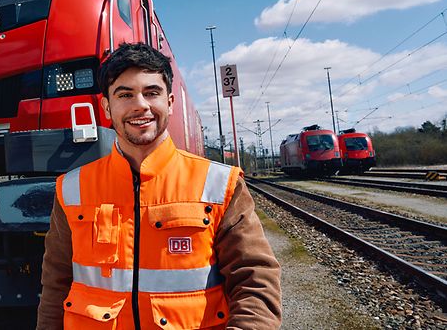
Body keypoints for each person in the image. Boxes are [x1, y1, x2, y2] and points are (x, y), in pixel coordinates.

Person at [36, 42, 281, 329]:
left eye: (151, 92)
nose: (140, 104)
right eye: (124, 94)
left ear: (170, 102)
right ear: (106, 106)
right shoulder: (72, 189)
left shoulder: (219, 185)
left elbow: (254, 279)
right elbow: (55, 285)